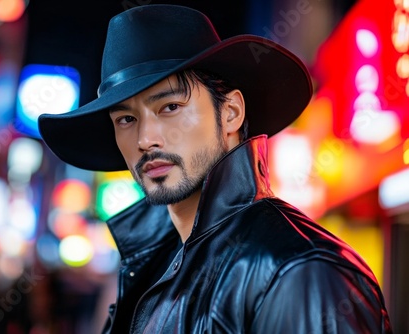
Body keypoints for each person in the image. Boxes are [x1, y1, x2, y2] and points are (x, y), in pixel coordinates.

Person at [38, 4, 392, 333]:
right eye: (127, 119)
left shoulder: (300, 270)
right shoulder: (154, 264)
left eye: (170, 107)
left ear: (231, 114)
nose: (145, 139)